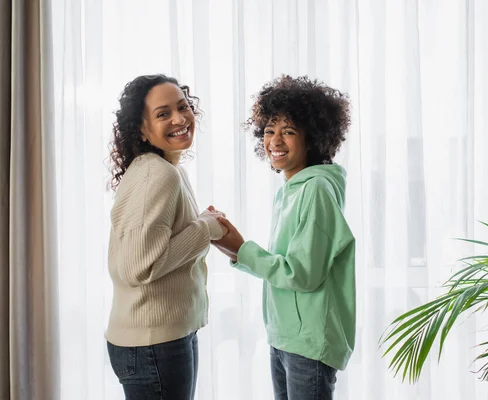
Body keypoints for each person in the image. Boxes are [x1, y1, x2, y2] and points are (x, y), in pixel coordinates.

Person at [213, 75, 356, 400]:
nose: (275, 141)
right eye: (269, 131)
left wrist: (242, 248)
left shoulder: (316, 190)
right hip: (285, 336)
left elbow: (302, 274)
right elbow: (286, 266)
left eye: (288, 131)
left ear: (314, 138)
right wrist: (234, 249)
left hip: (308, 343)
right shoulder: (292, 189)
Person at [105, 74, 225, 400]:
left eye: (183, 107)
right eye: (162, 114)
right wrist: (207, 228)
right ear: (142, 129)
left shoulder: (167, 170)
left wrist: (201, 223)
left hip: (160, 340)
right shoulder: (156, 174)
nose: (179, 119)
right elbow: (140, 266)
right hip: (154, 345)